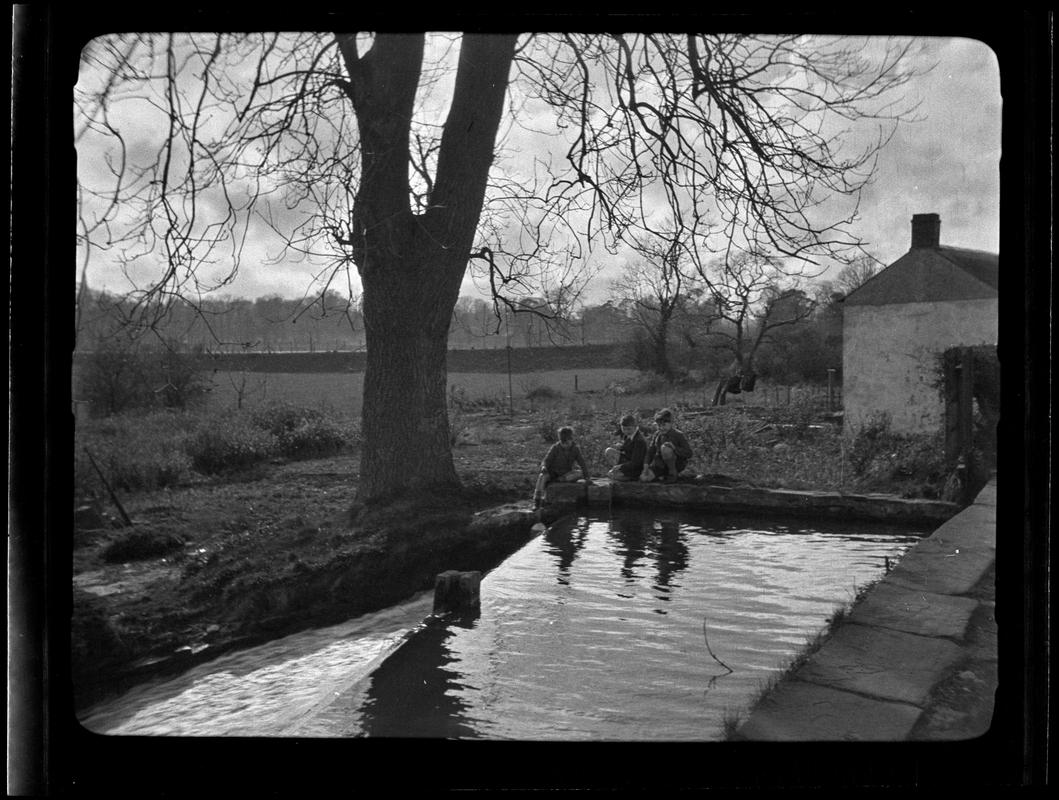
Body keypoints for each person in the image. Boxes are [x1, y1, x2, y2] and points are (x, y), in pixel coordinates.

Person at [533, 425, 590, 508]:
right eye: (564, 443)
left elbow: (582, 463)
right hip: (553, 473)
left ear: (570, 439)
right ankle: (537, 501)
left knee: (578, 473)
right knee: (542, 476)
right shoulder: (555, 448)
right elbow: (546, 461)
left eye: (568, 442)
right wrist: (544, 467)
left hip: (565, 474)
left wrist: (587, 477)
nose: (566, 445)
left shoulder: (575, 449)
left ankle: (559, 480)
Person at [640, 408, 693, 483]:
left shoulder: (678, 435)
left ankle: (672, 474)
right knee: (644, 478)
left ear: (671, 423)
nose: (661, 428)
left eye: (664, 425)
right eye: (659, 425)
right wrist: (646, 464)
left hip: (676, 464)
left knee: (665, 448)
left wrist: (674, 448)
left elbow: (689, 453)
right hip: (660, 465)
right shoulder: (657, 435)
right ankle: (662, 475)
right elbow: (651, 451)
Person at [604, 414, 647, 481]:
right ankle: (619, 472)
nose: (626, 431)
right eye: (624, 429)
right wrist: (621, 447)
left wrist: (620, 467)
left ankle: (630, 477)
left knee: (612, 475)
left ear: (635, 427)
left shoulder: (639, 441)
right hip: (627, 461)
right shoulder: (628, 435)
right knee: (609, 451)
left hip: (636, 468)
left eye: (629, 429)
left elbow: (636, 463)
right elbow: (628, 448)